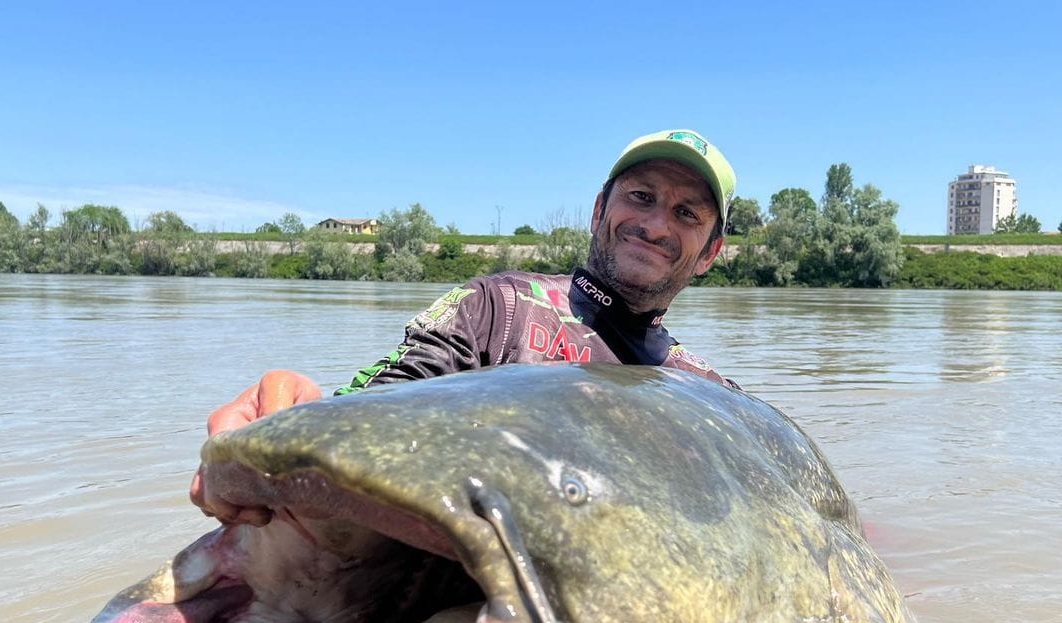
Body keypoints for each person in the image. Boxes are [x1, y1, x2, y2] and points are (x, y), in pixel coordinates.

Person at [192, 128, 737, 524]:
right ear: (599, 210)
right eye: (641, 197)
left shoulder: (713, 397)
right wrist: (301, 418)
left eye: (686, 213)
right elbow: (384, 401)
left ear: (710, 252)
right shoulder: (497, 307)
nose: (655, 224)